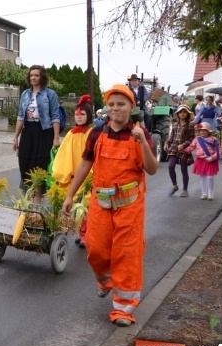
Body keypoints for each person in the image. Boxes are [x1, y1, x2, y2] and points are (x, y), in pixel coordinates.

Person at [62, 84, 158, 327]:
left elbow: (152, 169)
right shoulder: (96, 133)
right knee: (95, 247)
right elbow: (85, 165)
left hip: (130, 205)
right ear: (107, 107)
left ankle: (124, 309)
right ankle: (105, 281)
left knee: (127, 254)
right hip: (101, 202)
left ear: (131, 107)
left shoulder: (139, 135)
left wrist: (143, 143)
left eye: (121, 104)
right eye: (112, 104)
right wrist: (70, 195)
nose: (116, 108)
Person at [13, 65, 62, 202]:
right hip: (28, 131)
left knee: (40, 165)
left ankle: (37, 201)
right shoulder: (25, 94)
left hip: (44, 132)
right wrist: (15, 138)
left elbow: (55, 116)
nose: (33, 78)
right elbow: (20, 116)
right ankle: (28, 198)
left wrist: (56, 138)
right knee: (24, 162)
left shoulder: (50, 94)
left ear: (42, 77)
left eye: (36, 75)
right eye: (31, 75)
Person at [50, 94, 93, 248]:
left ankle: (86, 234)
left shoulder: (91, 134)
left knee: (87, 205)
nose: (79, 117)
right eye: (77, 115)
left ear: (88, 116)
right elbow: (64, 155)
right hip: (74, 176)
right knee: (76, 206)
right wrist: (62, 173)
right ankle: (82, 232)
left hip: (88, 176)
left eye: (82, 114)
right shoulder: (70, 134)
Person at [182, 122, 221, 200]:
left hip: (210, 161)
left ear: (209, 131)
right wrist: (183, 150)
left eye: (204, 130)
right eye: (201, 130)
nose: (202, 132)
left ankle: (210, 193)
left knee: (210, 177)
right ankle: (204, 193)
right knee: (202, 177)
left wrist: (212, 158)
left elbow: (218, 151)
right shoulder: (197, 139)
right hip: (201, 161)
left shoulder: (213, 140)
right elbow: (191, 147)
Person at [165, 104, 195, 197]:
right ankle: (175, 186)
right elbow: (171, 137)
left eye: (184, 112)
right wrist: (166, 143)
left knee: (183, 169)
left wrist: (183, 145)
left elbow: (192, 138)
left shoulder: (190, 125)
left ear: (187, 114)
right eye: (180, 112)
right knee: (170, 166)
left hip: (184, 150)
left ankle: (185, 189)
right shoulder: (175, 124)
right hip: (174, 148)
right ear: (178, 114)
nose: (182, 114)